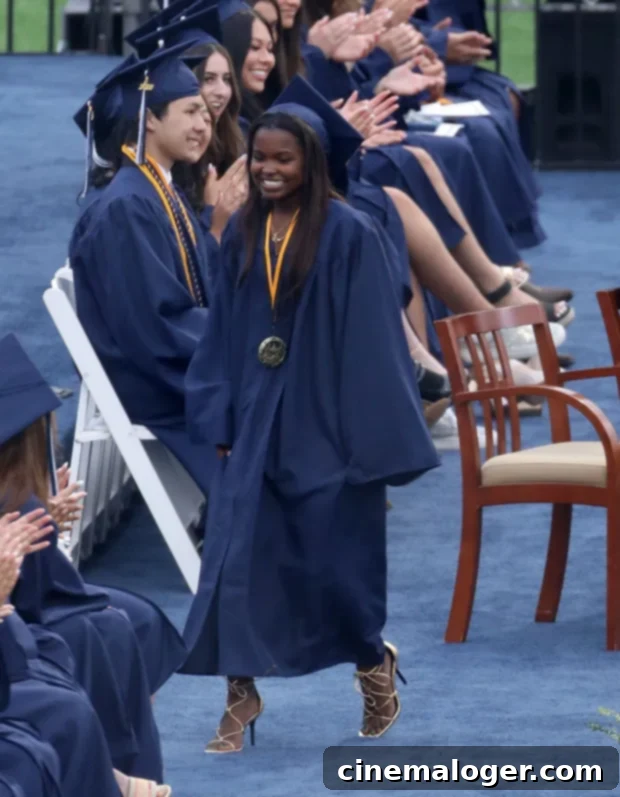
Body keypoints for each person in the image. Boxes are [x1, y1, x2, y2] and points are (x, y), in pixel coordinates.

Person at [179, 80, 441, 752]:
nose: (267, 169)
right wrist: (223, 423)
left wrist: (365, 445)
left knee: (336, 567)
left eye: (283, 160)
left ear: (313, 164)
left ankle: (372, 664)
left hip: (326, 420)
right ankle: (239, 698)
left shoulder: (350, 234)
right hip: (255, 416)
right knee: (233, 559)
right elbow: (221, 337)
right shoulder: (241, 232)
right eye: (259, 157)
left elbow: (375, 347)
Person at [0, 333, 178, 783]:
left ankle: (125, 760)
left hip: (26, 605)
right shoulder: (20, 501)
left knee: (133, 618)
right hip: (20, 620)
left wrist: (46, 519)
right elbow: (44, 596)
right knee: (105, 629)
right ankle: (123, 771)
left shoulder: (21, 498)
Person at [69, 43, 217, 497]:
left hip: (168, 363)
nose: (202, 125)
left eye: (206, 115)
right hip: (157, 382)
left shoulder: (156, 188)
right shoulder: (127, 207)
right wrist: (241, 338)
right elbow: (157, 324)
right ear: (150, 118)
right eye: (191, 110)